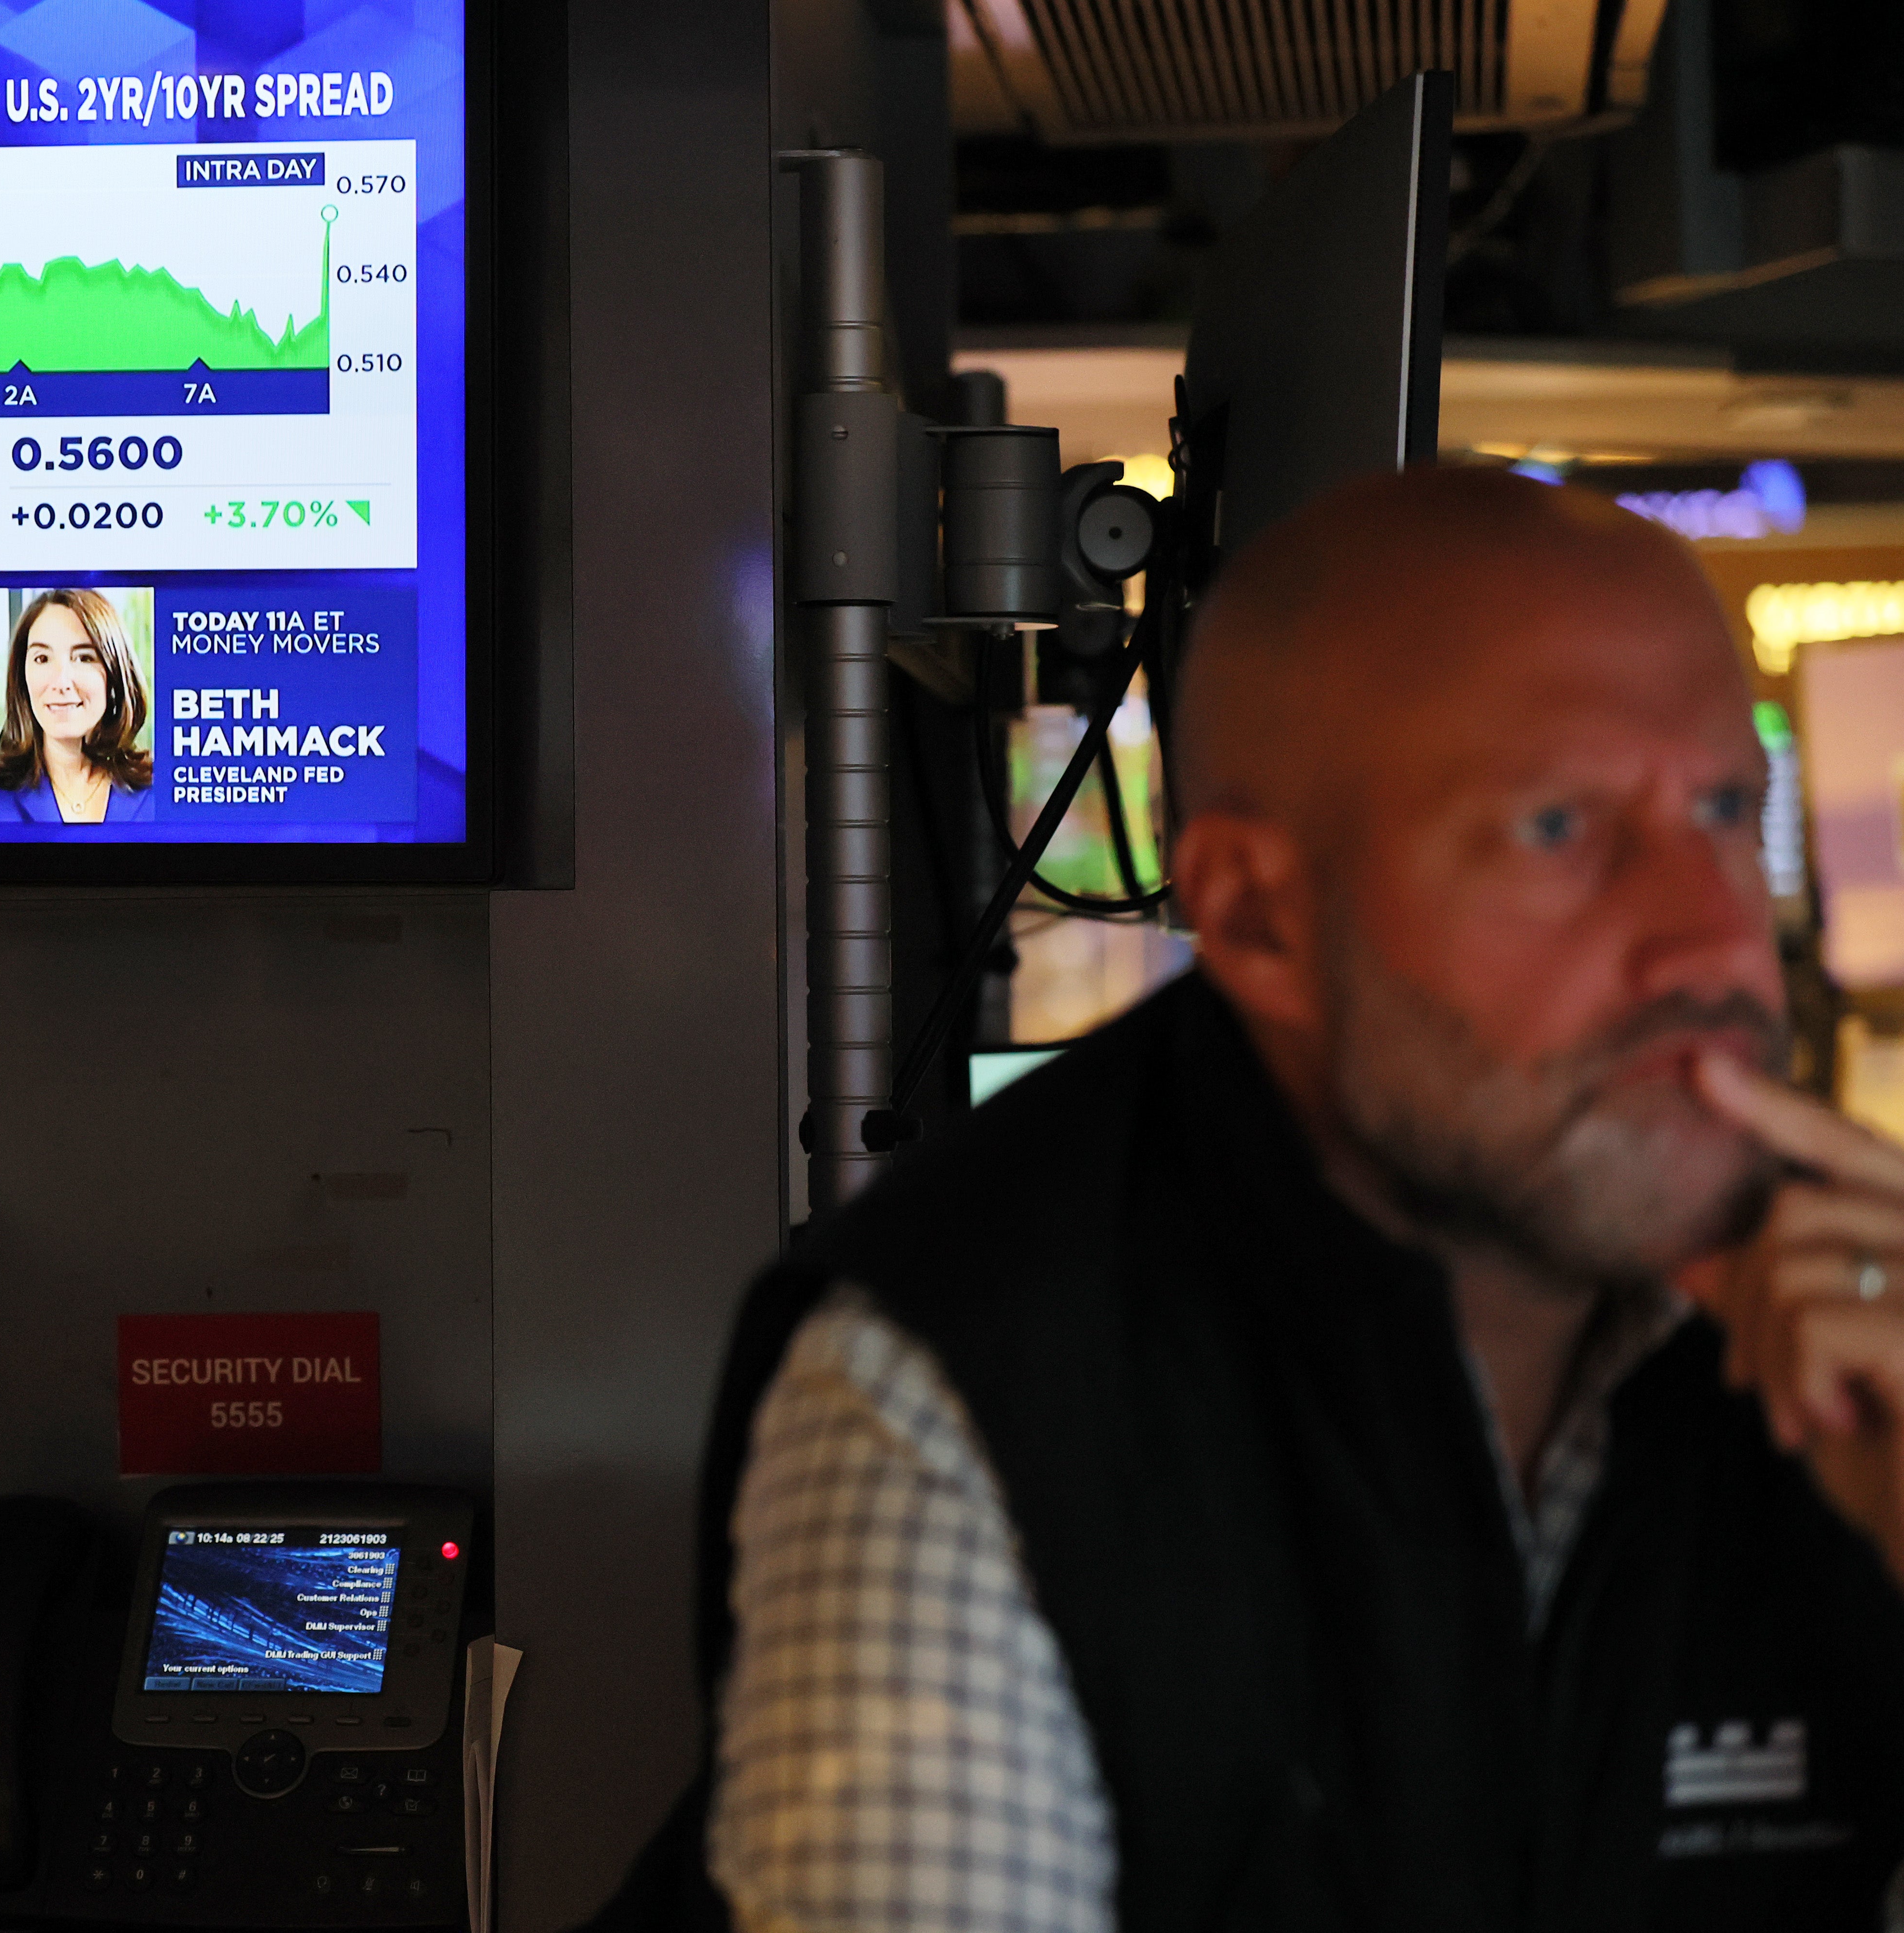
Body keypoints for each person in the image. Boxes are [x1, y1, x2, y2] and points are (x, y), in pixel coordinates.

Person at [607, 466, 1904, 1932]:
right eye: (1555, 829)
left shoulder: (1856, 1332)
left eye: (1726, 809)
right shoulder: (964, 1373)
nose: (1705, 942)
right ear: (1255, 916)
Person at [0, 589, 156, 825]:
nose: (61, 682)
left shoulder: (162, 792)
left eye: (84, 658)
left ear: (114, 674)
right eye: (42, 659)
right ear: (22, 677)